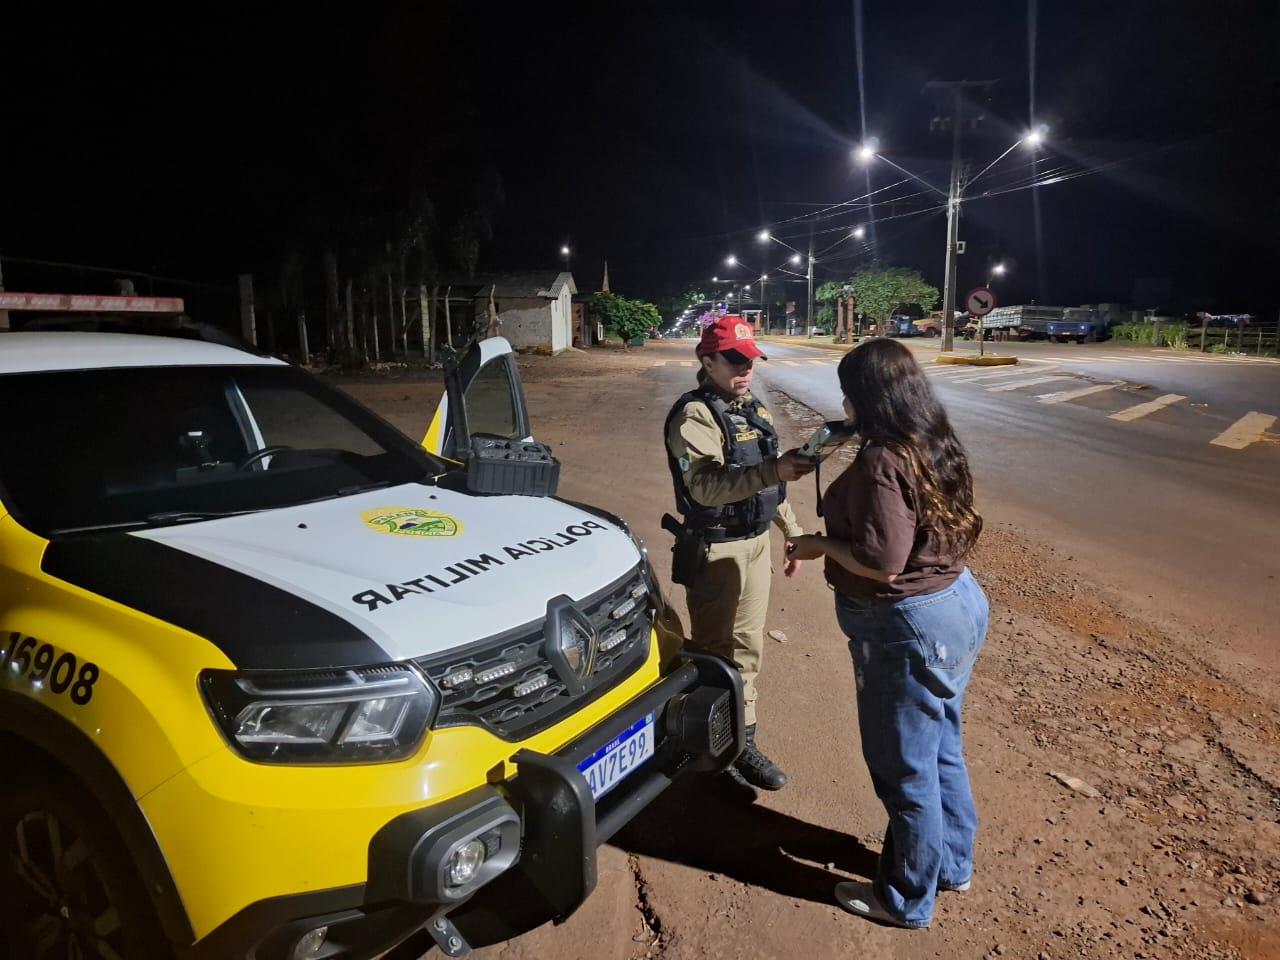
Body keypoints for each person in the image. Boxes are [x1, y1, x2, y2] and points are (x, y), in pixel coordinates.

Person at [786, 338, 988, 929]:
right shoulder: (930, 436)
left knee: (904, 768)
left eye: (850, 392)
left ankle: (904, 899)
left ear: (866, 396)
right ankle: (950, 864)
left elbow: (882, 561)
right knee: (941, 744)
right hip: (955, 605)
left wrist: (818, 543)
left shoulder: (883, 458)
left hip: (907, 626)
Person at [663, 314, 815, 791]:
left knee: (748, 650)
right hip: (716, 551)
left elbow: (768, 490)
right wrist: (775, 470)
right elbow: (706, 487)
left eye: (749, 360)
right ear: (706, 360)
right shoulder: (694, 416)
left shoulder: (752, 409)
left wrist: (790, 533)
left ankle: (741, 742)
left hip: (754, 546)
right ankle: (712, 752)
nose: (744, 369)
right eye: (733, 360)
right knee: (715, 652)